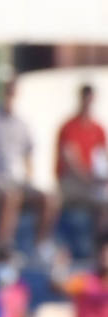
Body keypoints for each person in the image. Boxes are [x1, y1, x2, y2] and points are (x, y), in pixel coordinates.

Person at [0, 79, 59, 258]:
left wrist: (29, 178)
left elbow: (28, 153)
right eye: (8, 92)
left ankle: (40, 244)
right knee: (10, 196)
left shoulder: (22, 124)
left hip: (16, 179)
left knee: (49, 198)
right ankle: (3, 244)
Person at [55, 84, 108, 233]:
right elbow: (71, 160)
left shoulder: (98, 129)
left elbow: (102, 158)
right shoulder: (69, 127)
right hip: (72, 182)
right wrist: (89, 179)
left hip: (92, 182)